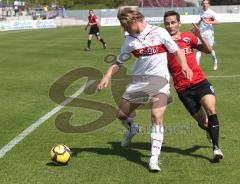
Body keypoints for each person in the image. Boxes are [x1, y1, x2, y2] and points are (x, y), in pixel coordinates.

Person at [97, 8, 193, 172]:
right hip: (139, 84)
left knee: (156, 117)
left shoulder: (159, 32)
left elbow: (176, 50)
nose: (124, 29)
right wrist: (106, 76)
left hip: (160, 82)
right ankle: (132, 128)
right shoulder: (129, 41)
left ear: (134, 22)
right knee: (121, 115)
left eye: (125, 25)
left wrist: (184, 65)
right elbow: (118, 62)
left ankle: (153, 160)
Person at [164, 11, 223, 161]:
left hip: (200, 82)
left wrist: (200, 35)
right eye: (167, 23)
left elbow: (208, 51)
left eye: (173, 22)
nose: (170, 26)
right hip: (183, 89)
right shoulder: (162, 43)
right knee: (204, 123)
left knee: (211, 108)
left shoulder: (188, 37)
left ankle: (216, 149)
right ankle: (208, 130)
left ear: (179, 23)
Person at [196, 0, 220, 70]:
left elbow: (218, 22)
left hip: (209, 34)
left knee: (210, 50)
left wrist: (209, 21)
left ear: (208, 4)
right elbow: (201, 20)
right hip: (201, 33)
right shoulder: (201, 12)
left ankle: (215, 61)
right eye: (203, 3)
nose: (204, 5)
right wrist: (196, 26)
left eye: (206, 3)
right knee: (198, 49)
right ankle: (197, 67)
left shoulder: (211, 13)